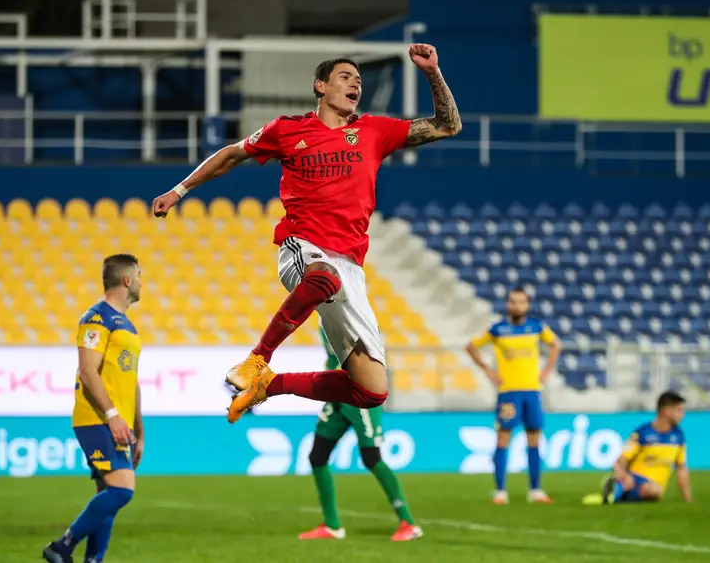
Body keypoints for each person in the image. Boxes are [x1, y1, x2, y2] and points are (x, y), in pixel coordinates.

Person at [152, 44, 462, 424]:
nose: (356, 85)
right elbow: (232, 154)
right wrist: (179, 190)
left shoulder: (374, 132)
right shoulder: (287, 130)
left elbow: (448, 125)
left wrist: (433, 72)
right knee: (323, 276)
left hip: (350, 265)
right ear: (321, 86)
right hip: (304, 247)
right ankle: (257, 358)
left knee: (372, 390)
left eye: (359, 81)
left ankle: (269, 385)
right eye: (346, 77)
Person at [43, 254, 144, 563]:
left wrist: (139, 431)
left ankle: (93, 560)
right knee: (122, 490)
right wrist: (113, 416)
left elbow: (132, 382)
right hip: (96, 418)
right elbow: (87, 371)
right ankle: (62, 545)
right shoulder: (96, 319)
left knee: (108, 495)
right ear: (127, 280)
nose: (142, 282)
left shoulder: (127, 326)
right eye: (139, 275)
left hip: (118, 423)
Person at [299, 324, 422, 542]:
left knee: (372, 458)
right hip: (337, 392)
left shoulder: (352, 316)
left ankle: (408, 523)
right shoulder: (325, 317)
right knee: (317, 456)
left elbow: (365, 354)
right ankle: (332, 525)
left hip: (360, 392)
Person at [465, 287, 561, 505]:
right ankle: (500, 491)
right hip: (508, 392)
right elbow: (471, 346)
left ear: (527, 305)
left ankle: (535, 490)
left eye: (521, 302)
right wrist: (487, 370)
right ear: (508, 304)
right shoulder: (498, 329)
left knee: (534, 439)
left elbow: (556, 344)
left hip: (532, 391)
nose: (516, 306)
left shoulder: (536, 327)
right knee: (503, 438)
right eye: (513, 302)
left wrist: (546, 372)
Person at [583, 391, 691, 505]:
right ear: (665, 411)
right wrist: (623, 475)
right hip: (637, 479)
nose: (682, 414)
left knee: (655, 491)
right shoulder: (643, 433)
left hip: (656, 487)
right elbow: (622, 459)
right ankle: (618, 489)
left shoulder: (678, 436)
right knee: (654, 490)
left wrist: (688, 500)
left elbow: (681, 469)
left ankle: (615, 493)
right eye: (678, 410)